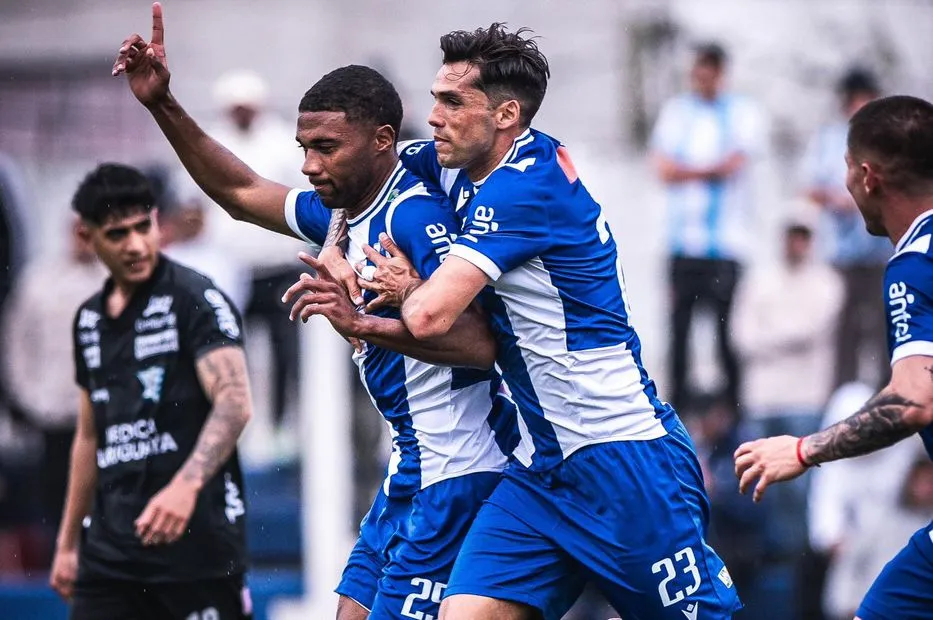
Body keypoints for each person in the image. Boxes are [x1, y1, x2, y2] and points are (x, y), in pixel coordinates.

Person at [323, 23, 741, 620]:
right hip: (542, 469)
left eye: (452, 102)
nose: (433, 117)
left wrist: (404, 288)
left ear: (505, 115)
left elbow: (429, 315)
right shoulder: (460, 163)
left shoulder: (523, 189)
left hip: (622, 459)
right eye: (435, 98)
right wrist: (334, 237)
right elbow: (352, 180)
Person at [112, 7, 517, 619]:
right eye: (304, 149)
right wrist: (162, 104)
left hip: (460, 470)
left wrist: (359, 322)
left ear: (382, 140)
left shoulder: (412, 216)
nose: (308, 165)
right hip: (412, 464)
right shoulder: (343, 209)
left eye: (327, 148)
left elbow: (482, 344)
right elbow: (242, 193)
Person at [735, 95, 933, 620]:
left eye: (845, 167)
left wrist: (804, 450)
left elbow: (914, 401)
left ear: (867, 177)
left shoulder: (915, 265)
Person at [49, 163, 253, 620]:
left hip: (196, 547)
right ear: (87, 236)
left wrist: (185, 486)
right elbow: (89, 434)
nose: (137, 245)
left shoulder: (195, 297)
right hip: (110, 553)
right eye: (117, 234)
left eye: (144, 227)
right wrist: (67, 543)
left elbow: (235, 401)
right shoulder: (88, 320)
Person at [650, 42, 766, 411]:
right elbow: (663, 169)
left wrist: (687, 171)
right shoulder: (676, 112)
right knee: (679, 337)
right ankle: (678, 413)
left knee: (727, 336)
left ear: (720, 73)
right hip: (682, 244)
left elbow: (734, 164)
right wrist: (708, 170)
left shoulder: (742, 112)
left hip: (726, 245)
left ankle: (733, 414)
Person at [0, 218, 105, 537]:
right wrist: (27, 397)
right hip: (54, 413)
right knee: (56, 502)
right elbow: (16, 342)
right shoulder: (39, 281)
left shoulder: (112, 279)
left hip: (103, 412)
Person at [800, 67, 890, 390]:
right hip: (840, 254)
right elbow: (809, 186)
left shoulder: (887, 139)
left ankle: (887, 393)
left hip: (881, 251)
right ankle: (843, 396)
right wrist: (837, 199)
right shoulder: (828, 139)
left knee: (884, 330)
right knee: (843, 333)